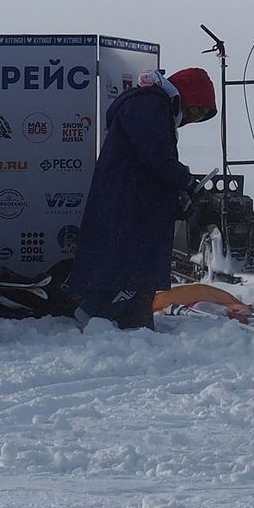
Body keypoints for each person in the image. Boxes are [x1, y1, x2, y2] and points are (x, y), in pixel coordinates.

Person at [68, 67, 217, 329]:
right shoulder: (149, 105)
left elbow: (153, 162)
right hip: (129, 203)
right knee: (130, 265)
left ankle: (128, 320)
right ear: (187, 95)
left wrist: (177, 196)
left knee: (131, 265)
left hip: (133, 201)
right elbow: (157, 156)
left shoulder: (149, 106)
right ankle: (98, 317)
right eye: (197, 111)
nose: (192, 119)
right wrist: (186, 182)